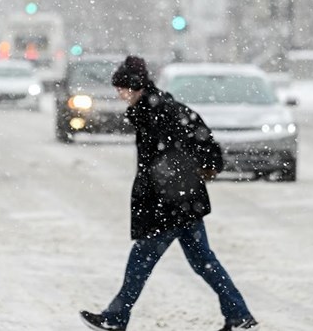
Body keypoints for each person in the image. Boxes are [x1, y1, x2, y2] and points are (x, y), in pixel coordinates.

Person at [79, 56, 258, 331]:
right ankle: (239, 315)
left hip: (171, 203)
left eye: (121, 88)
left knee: (141, 260)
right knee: (203, 261)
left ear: (134, 86)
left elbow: (181, 154)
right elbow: (195, 142)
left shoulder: (158, 112)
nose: (118, 94)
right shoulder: (156, 108)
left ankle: (115, 319)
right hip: (183, 201)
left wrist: (173, 186)